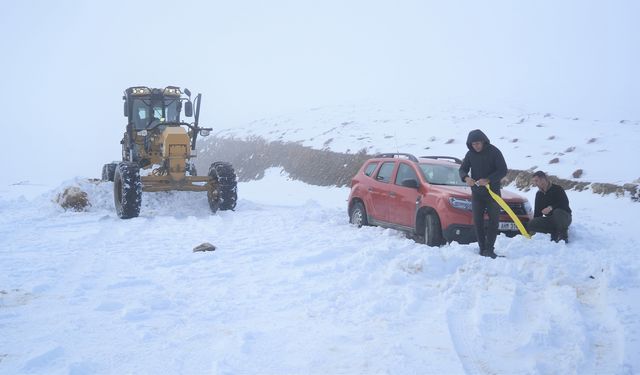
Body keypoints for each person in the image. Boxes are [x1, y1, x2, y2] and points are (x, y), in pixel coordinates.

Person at [459, 129, 508, 259]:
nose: (477, 146)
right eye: (474, 144)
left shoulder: (494, 152)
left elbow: (503, 170)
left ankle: (489, 249)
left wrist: (489, 179)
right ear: (470, 144)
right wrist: (466, 178)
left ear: (483, 141)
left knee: (494, 221)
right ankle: (482, 248)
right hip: (477, 194)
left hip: (493, 193)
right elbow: (462, 169)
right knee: (478, 221)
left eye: (478, 143)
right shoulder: (470, 154)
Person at [528, 171, 572, 242]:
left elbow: (564, 203)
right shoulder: (539, 194)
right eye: (534, 181)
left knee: (557, 212)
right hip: (551, 220)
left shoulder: (557, 189)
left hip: (564, 217)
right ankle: (555, 231)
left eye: (536, 181)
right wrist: (534, 224)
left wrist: (551, 207)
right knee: (532, 223)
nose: (535, 184)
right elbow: (537, 213)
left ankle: (563, 237)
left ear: (543, 179)